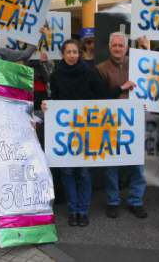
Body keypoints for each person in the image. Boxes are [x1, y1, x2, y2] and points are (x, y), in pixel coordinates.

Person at [42, 39, 106, 227]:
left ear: (80, 54)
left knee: (84, 173)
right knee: (68, 173)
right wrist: (47, 104)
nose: (72, 55)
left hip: (85, 131)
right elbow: (52, 98)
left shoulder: (90, 73)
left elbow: (102, 96)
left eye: (75, 52)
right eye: (68, 52)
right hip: (65, 133)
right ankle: (72, 210)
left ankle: (83, 211)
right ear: (63, 54)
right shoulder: (55, 75)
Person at [96, 32, 148, 219]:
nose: (118, 48)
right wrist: (121, 88)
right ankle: (113, 201)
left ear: (126, 47)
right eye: (114, 45)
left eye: (121, 45)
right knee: (112, 164)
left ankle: (136, 201)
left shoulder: (136, 64)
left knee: (137, 164)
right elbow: (100, 98)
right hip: (112, 122)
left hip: (135, 121)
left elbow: (148, 82)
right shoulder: (101, 69)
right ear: (110, 47)